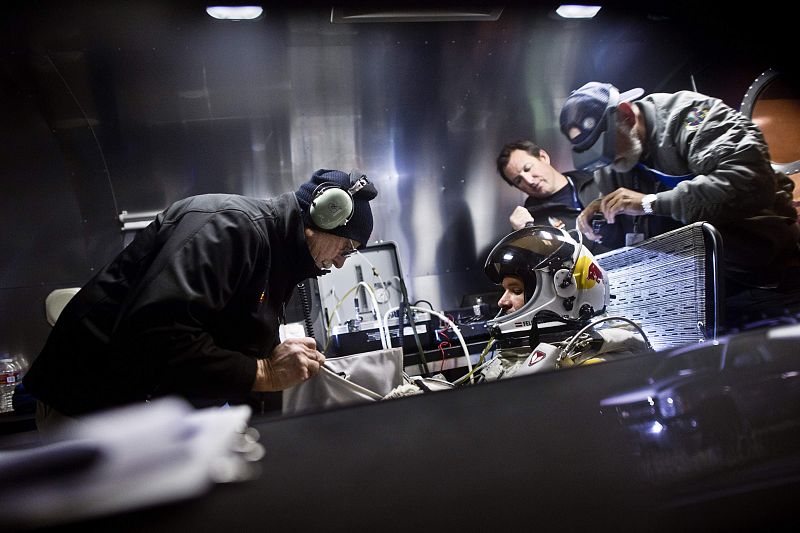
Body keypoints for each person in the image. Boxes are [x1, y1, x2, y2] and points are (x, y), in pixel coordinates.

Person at [23, 168, 378, 431]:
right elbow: (154, 334)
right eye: (345, 247)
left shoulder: (277, 257)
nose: (341, 261)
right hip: (88, 406)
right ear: (322, 216)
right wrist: (262, 371)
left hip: (144, 412)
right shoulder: (229, 228)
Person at [558, 82, 800, 296]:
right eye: (599, 158)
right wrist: (606, 219)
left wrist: (650, 203)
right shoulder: (611, 166)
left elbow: (751, 181)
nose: (609, 163)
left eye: (609, 149)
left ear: (627, 115)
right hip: (700, 287)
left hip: (765, 270)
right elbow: (634, 232)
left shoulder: (691, 116)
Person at [480, 225, 646, 379]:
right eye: (505, 291)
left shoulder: (594, 368)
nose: (502, 302)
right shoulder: (514, 357)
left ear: (565, 288)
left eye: (516, 291)